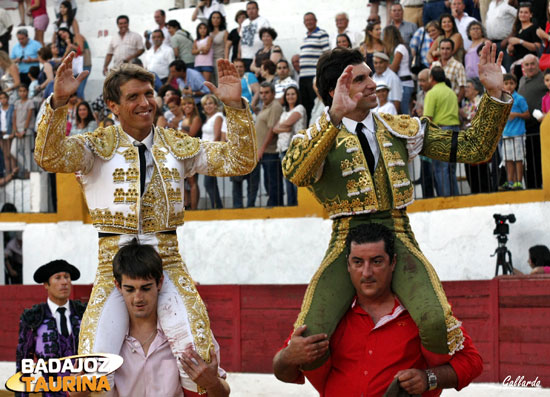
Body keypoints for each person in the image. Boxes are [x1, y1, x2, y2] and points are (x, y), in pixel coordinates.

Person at [34, 53, 257, 394]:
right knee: (91, 368)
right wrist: (59, 102)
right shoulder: (96, 146)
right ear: (113, 105)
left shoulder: (176, 144)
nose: (145, 102)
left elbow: (239, 161)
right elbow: (48, 156)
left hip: (166, 262)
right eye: (133, 97)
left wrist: (237, 109)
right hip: (114, 269)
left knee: (200, 355)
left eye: (149, 94)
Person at [280, 45, 512, 370]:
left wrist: (494, 95)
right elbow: (295, 172)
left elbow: (475, 148)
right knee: (308, 340)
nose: (373, 84)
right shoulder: (318, 136)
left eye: (370, 76)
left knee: (435, 323)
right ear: (336, 90)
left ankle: (424, 385)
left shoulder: (398, 127)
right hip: (346, 239)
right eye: (360, 79)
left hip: (397, 232)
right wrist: (333, 117)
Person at [273, 223, 483, 396]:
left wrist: (428, 378)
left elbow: (473, 362)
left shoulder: (419, 313)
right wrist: (288, 357)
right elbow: (283, 372)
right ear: (347, 265)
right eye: (357, 262)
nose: (367, 272)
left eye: (377, 261)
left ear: (393, 263)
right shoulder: (330, 314)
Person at [104, 240, 230, 397]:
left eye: (146, 288)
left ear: (160, 283)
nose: (138, 298)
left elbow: (224, 392)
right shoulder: (108, 338)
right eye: (129, 289)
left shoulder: (186, 331)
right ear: (118, 286)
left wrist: (213, 384)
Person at [16, 260, 86, 397]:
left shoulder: (84, 313)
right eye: (58, 278)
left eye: (67, 277)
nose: (64, 282)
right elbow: (24, 365)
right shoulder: (33, 318)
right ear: (46, 285)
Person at [424, 66, 460, 196]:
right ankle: (455, 198)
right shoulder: (451, 92)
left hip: (441, 130)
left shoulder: (432, 93)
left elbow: (428, 118)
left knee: (440, 169)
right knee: (450, 169)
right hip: (455, 130)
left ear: (431, 78)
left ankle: (446, 199)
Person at [273, 86, 306, 206]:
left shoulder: (300, 108)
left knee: (295, 179)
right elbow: (275, 129)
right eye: (288, 94)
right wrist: (283, 127)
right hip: (282, 148)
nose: (290, 96)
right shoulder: (284, 112)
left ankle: (298, 204)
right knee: (287, 179)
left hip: (295, 147)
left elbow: (289, 124)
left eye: (293, 94)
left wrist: (281, 127)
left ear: (297, 96)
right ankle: (291, 205)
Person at [517, 54, 545, 189]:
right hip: (524, 128)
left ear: (538, 65)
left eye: (532, 64)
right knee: (529, 160)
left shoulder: (544, 78)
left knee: (539, 159)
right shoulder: (522, 79)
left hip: (540, 127)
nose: (530, 67)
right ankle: (531, 187)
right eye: (526, 65)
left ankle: (540, 186)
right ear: (523, 67)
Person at [460, 78, 491, 193]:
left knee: (481, 172)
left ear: (477, 91)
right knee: (470, 173)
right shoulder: (466, 104)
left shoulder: (481, 102)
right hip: (468, 141)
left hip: (479, 141)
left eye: (468, 87)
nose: (466, 89)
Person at [500, 73, 529, 191]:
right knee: (508, 159)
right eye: (506, 83)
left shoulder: (520, 98)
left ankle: (518, 182)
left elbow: (527, 114)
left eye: (511, 83)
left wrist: (516, 114)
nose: (509, 86)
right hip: (506, 133)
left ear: (516, 84)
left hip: (518, 133)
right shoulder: (501, 99)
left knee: (518, 159)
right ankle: (510, 181)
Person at [257, 81, 284, 206]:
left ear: (273, 93)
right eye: (261, 93)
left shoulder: (275, 106)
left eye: (266, 92)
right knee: (268, 181)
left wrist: (262, 149)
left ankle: (275, 205)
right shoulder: (265, 106)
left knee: (273, 182)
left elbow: (271, 130)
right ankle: (273, 204)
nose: (264, 95)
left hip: (270, 151)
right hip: (263, 151)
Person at [299, 12, 330, 121]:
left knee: (316, 105)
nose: (309, 22)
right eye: (306, 20)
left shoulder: (322, 33)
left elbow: (327, 54)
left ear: (316, 21)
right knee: (306, 105)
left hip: (313, 76)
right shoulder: (305, 38)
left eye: (311, 20)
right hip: (303, 77)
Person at [413, 68, 436, 198]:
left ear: (430, 79)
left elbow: (428, 115)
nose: (421, 83)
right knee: (425, 173)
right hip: (423, 137)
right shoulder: (420, 95)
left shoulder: (433, 93)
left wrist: (423, 112)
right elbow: (418, 112)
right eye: (419, 81)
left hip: (433, 136)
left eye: (423, 80)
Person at [200, 94, 224, 208]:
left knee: (209, 183)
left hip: (211, 154)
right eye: (205, 104)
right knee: (210, 183)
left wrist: (211, 153)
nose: (208, 106)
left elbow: (217, 136)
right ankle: (216, 205)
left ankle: (217, 206)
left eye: (210, 103)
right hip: (205, 154)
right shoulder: (209, 118)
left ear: (215, 105)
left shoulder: (218, 116)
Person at [383, 25, 414, 114]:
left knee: (405, 112)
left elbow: (394, 67)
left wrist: (387, 65)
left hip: (405, 84)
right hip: (400, 83)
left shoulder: (400, 48)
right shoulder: (395, 49)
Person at [507, 3, 540, 79]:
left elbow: (537, 47)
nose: (523, 14)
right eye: (521, 12)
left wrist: (520, 41)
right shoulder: (517, 29)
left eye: (526, 12)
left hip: (529, 65)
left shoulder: (534, 28)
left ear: (531, 15)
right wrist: (510, 49)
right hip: (517, 64)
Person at [180, 96, 202, 210]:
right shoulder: (182, 119)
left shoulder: (196, 118)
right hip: (181, 153)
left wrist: (179, 133)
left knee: (192, 181)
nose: (187, 106)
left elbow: (191, 135)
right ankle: (186, 205)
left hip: (191, 152)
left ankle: (194, 208)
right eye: (184, 104)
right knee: (183, 181)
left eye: (189, 104)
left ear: (193, 105)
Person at [239, 1, 270, 72]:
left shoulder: (263, 21)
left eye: (253, 8)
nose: (251, 11)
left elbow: (268, 39)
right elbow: (241, 39)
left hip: (258, 57)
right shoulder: (244, 23)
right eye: (248, 9)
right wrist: (239, 55)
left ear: (257, 9)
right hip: (245, 57)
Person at [12, 84, 34, 179]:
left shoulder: (30, 102)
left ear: (27, 92)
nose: (22, 93)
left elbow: (28, 118)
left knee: (27, 152)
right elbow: (14, 117)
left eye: (24, 91)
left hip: (27, 130)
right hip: (18, 131)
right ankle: (27, 168)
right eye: (20, 91)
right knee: (13, 151)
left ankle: (29, 171)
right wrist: (15, 130)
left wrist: (24, 131)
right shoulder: (17, 102)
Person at [209, 11, 228, 85]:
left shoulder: (224, 32)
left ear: (221, 20)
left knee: (220, 82)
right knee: (211, 82)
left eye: (218, 18)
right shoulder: (208, 32)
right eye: (213, 18)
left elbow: (227, 47)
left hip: (220, 59)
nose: (215, 20)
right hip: (208, 60)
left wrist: (226, 60)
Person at [0, 91, 16, 177]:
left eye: (4, 98)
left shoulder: (11, 108)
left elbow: (14, 120)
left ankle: (14, 171)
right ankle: (8, 173)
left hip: (9, 132)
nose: (3, 100)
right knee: (5, 154)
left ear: (7, 99)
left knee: (11, 153)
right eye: (1, 98)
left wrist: (13, 132)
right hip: (2, 133)